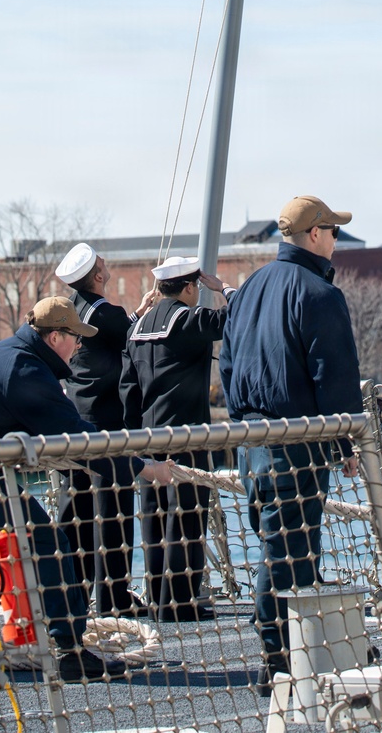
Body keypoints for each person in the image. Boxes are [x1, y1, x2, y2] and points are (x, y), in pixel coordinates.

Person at [0, 296, 172, 682]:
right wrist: (142, 467)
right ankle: (69, 650)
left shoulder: (5, 355)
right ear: (54, 338)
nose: (80, 345)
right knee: (48, 542)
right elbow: (77, 439)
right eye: (75, 337)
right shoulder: (26, 369)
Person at [218, 194, 363, 695]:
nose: (336, 243)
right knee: (290, 554)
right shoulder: (321, 296)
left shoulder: (251, 287)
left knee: (272, 545)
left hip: (249, 441)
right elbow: (336, 377)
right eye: (335, 233)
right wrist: (348, 443)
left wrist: (242, 425)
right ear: (318, 235)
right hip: (295, 441)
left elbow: (229, 365)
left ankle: (286, 652)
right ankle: (278, 661)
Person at [119, 256, 234, 622]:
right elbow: (236, 318)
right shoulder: (186, 319)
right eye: (196, 287)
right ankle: (180, 603)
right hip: (186, 432)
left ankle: (157, 597)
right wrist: (224, 289)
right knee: (187, 515)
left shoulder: (137, 328)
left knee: (153, 516)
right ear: (188, 287)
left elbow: (128, 387)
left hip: (147, 433)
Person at [54, 242, 154, 617]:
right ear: (98, 275)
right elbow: (133, 336)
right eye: (102, 264)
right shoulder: (105, 311)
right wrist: (146, 314)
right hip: (106, 422)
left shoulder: (74, 309)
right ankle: (115, 596)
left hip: (73, 418)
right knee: (112, 509)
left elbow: (119, 329)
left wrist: (137, 313)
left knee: (76, 508)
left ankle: (69, 593)